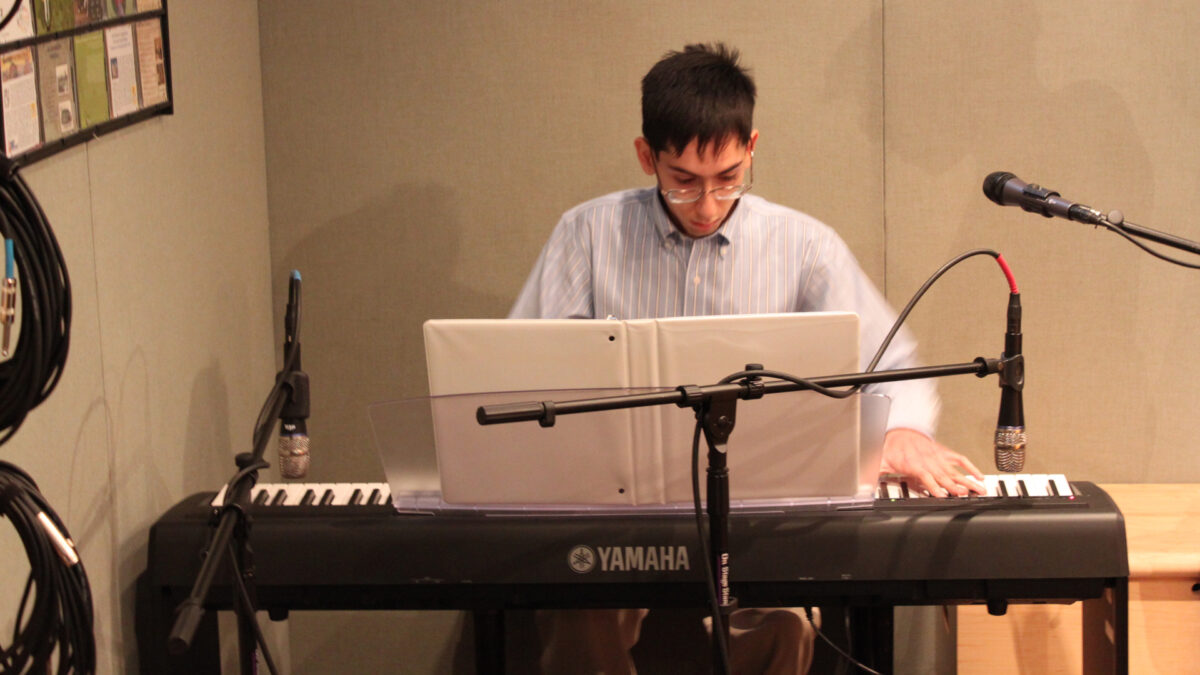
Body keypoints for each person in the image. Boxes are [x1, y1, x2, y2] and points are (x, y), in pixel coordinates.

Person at [510, 43, 983, 674]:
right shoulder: (587, 234)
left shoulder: (803, 245)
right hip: (617, 503)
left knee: (788, 621)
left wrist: (898, 429)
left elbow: (890, 356)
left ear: (752, 147)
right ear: (647, 156)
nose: (707, 205)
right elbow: (520, 370)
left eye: (728, 178)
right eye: (683, 182)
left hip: (760, 501)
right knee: (578, 615)